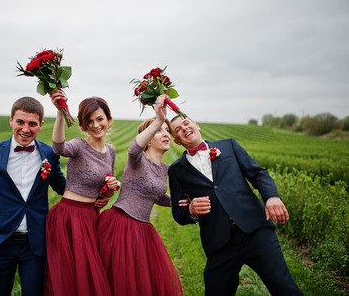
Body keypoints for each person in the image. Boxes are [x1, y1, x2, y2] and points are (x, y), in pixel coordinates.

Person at [168, 116, 304, 296]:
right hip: (219, 243)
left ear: (196, 126)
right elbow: (178, 213)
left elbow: (258, 174)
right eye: (177, 129)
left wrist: (271, 197)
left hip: (255, 232)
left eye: (186, 123)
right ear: (177, 141)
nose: (184, 128)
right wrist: (190, 210)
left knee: (284, 288)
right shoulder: (176, 170)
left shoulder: (229, 146)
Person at [0, 96, 66, 296]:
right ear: (11, 120)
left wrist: (98, 190)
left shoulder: (50, 154)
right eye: (20, 122)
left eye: (32, 124)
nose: (25, 129)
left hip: (35, 245)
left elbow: (63, 188)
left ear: (41, 125)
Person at [98, 95, 185, 296]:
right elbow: (132, 148)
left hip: (143, 230)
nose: (165, 134)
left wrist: (182, 202)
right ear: (148, 138)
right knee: (118, 280)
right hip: (120, 224)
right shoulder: (137, 159)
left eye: (167, 131)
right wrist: (158, 119)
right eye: (159, 131)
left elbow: (158, 196)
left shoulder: (167, 169)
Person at [44, 90, 119, 296]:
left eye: (100, 119)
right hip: (69, 217)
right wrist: (60, 113)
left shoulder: (111, 151)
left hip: (91, 217)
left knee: (90, 273)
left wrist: (109, 190)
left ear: (108, 120)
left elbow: (103, 193)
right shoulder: (78, 145)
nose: (95, 125)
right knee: (71, 276)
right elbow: (58, 147)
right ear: (83, 125)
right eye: (89, 121)